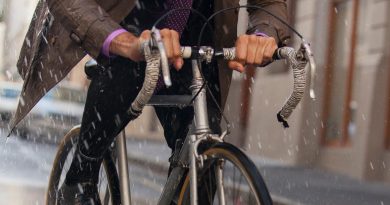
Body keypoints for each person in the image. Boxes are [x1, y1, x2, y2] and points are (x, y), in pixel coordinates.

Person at [11, 0, 289, 204]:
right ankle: (79, 179)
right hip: (119, 19)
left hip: (196, 28)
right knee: (124, 69)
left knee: (200, 162)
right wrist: (123, 42)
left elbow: (268, 4)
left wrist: (263, 35)